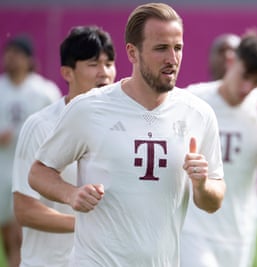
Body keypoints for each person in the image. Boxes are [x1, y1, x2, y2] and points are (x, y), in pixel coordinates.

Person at [28, 3, 226, 266]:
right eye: (160, 48)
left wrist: (201, 185)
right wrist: (70, 194)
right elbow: (39, 172)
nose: (172, 59)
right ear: (132, 53)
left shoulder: (199, 114)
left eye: (177, 48)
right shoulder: (89, 108)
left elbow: (213, 200)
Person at [181, 31, 257, 267]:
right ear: (232, 62)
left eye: (256, 80)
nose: (246, 87)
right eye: (245, 75)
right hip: (193, 227)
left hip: (240, 231)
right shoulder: (194, 100)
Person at [12, 25, 116, 267]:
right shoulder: (40, 126)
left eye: (109, 63)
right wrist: (84, 225)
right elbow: (25, 210)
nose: (104, 73)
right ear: (67, 73)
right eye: (93, 64)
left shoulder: (122, 128)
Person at [0, 35, 61, 267]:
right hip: (2, 169)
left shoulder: (43, 91)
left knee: (20, 235)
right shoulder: (1, 89)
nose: (11, 58)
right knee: (7, 235)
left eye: (17, 54)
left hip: (28, 172)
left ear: (28, 59)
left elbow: (57, 128)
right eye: (9, 53)